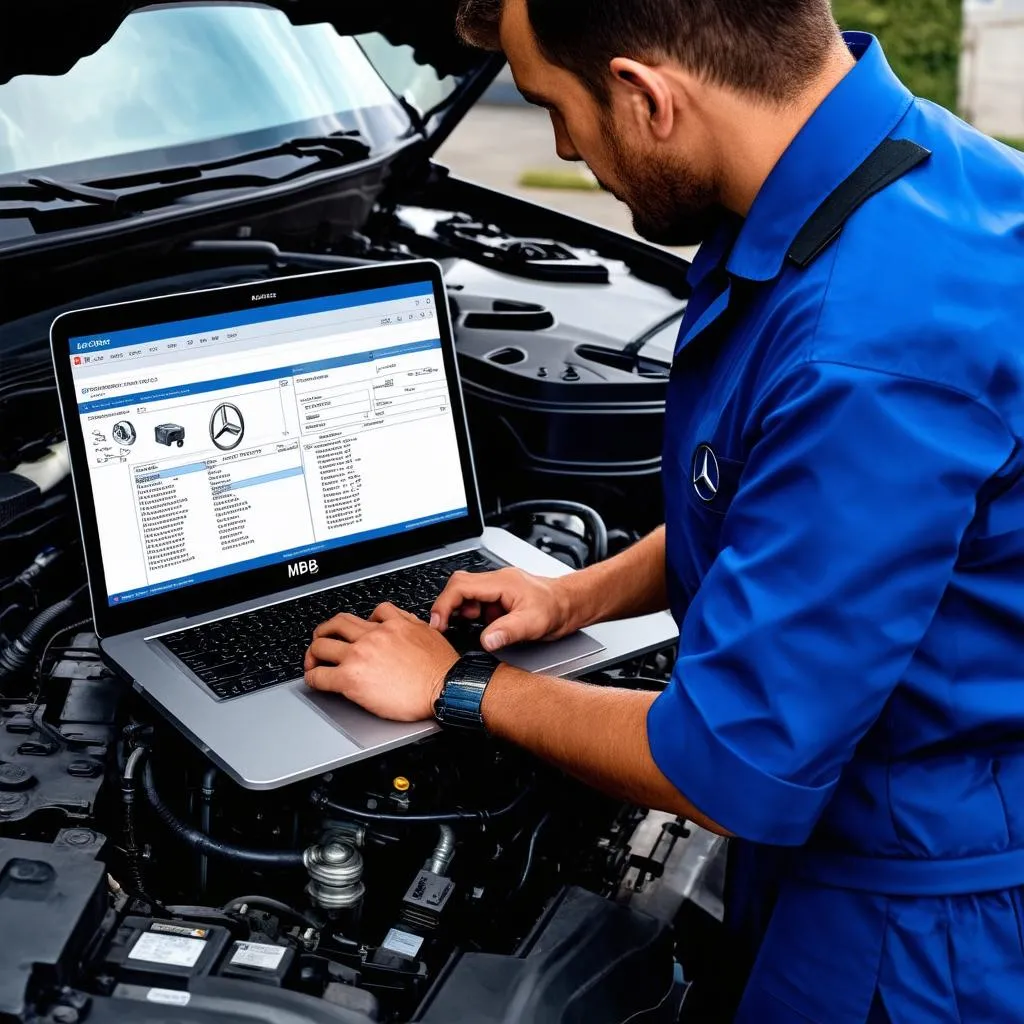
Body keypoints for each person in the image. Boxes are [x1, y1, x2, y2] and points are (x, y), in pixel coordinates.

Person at [303, 1, 1024, 1020]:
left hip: (913, 931)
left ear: (646, 98)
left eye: (553, 105)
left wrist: (460, 685)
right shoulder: (917, 172)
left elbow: (730, 762)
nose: (558, 142)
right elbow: (772, 496)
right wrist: (573, 598)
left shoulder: (863, 350)